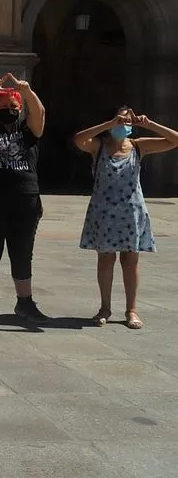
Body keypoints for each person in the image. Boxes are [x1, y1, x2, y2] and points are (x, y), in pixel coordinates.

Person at [74, 107, 178, 329]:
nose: (124, 124)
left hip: (131, 211)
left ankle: (132, 310)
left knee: (130, 261)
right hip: (104, 212)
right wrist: (108, 124)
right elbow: (79, 139)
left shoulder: (138, 146)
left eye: (127, 120)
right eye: (121, 120)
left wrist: (148, 124)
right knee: (105, 260)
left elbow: (174, 140)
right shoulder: (99, 146)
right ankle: (105, 308)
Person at [0, 73, 48, 328]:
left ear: (20, 109)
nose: (9, 111)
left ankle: (25, 302)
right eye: (3, 108)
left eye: (13, 108)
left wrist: (27, 92)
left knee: (22, 253)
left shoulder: (28, 132)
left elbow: (40, 114)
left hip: (25, 200)